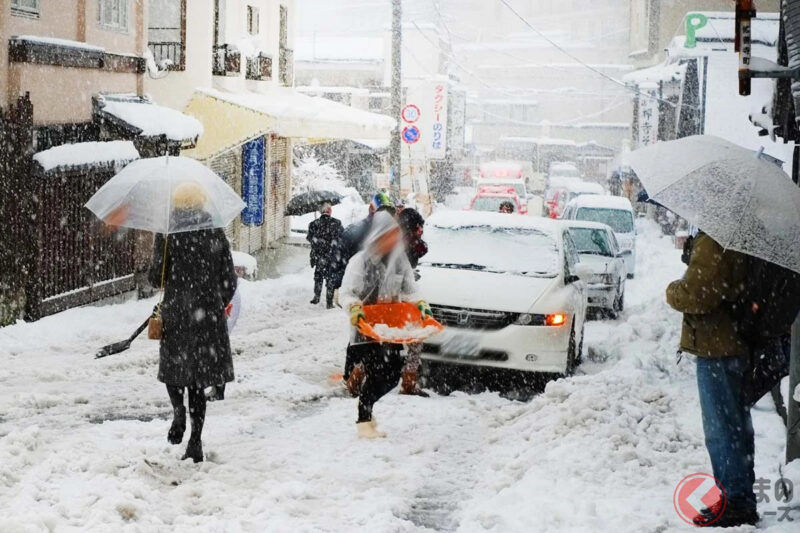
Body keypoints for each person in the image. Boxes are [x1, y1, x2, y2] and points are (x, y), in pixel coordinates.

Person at [665, 231, 757, 527]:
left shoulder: (716, 238)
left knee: (721, 428)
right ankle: (738, 495)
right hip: (733, 342)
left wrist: (672, 290)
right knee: (735, 425)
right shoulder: (739, 235)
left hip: (717, 345)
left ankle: (736, 500)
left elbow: (698, 294)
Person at [148, 182, 238, 463]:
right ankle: (195, 440)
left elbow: (155, 278)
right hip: (207, 315)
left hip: (176, 312)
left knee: (174, 368)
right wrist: (215, 302)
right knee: (197, 379)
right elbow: (229, 279)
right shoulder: (215, 231)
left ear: (176, 205)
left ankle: (178, 411)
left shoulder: (168, 233)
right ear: (202, 203)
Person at [339, 211, 431, 438]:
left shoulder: (400, 261)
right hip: (366, 328)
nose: (392, 240)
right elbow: (347, 292)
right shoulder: (361, 261)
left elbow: (410, 289)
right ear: (378, 235)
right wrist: (354, 307)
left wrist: (420, 304)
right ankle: (364, 419)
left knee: (390, 376)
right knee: (377, 371)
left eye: (394, 235)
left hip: (390, 327)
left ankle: (365, 407)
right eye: (387, 235)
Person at [339, 192, 397, 394]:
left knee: (377, 343)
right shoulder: (361, 232)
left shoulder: (391, 236)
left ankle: (367, 377)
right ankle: (351, 378)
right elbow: (347, 258)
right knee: (358, 340)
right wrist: (353, 303)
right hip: (362, 294)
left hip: (382, 303)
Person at [397, 207, 429, 397]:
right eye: (418, 226)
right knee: (413, 340)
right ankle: (408, 383)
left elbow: (423, 249)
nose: (421, 230)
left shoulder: (410, 244)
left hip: (402, 296)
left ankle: (358, 378)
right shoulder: (397, 245)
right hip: (393, 298)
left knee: (414, 339)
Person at [306, 202, 343, 309]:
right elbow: (342, 237)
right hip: (332, 256)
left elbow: (309, 238)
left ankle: (316, 297)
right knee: (330, 278)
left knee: (318, 276)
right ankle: (329, 302)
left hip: (319, 255)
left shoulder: (313, 224)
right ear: (329, 211)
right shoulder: (337, 223)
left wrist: (318, 240)